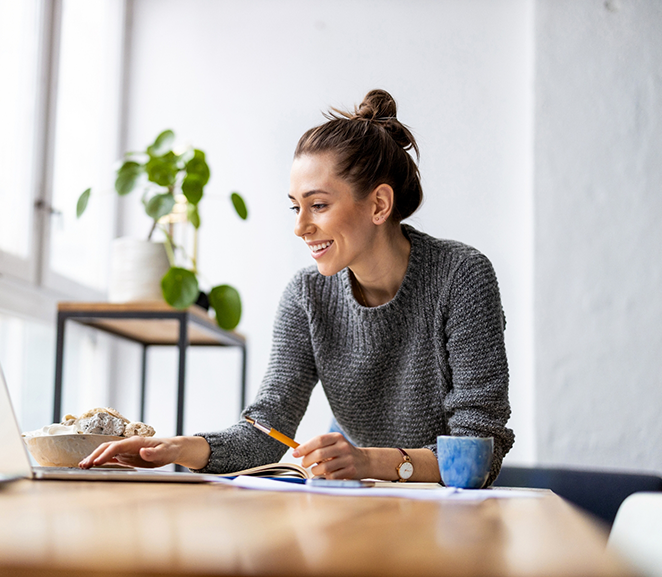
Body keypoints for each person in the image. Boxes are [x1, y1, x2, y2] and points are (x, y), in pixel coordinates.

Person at [80, 89, 515, 484]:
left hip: (452, 516)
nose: (301, 227)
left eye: (318, 205)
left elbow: (479, 452)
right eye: (295, 208)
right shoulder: (307, 295)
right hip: (359, 503)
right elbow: (267, 430)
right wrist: (180, 449)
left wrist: (366, 462)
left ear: (379, 204)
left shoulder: (462, 276)